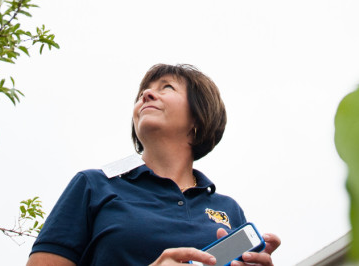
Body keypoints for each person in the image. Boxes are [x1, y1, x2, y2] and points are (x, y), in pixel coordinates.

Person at [27, 63, 280, 266]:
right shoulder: (93, 185)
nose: (146, 95)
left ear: (199, 118)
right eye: (142, 94)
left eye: (166, 87)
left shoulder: (228, 209)